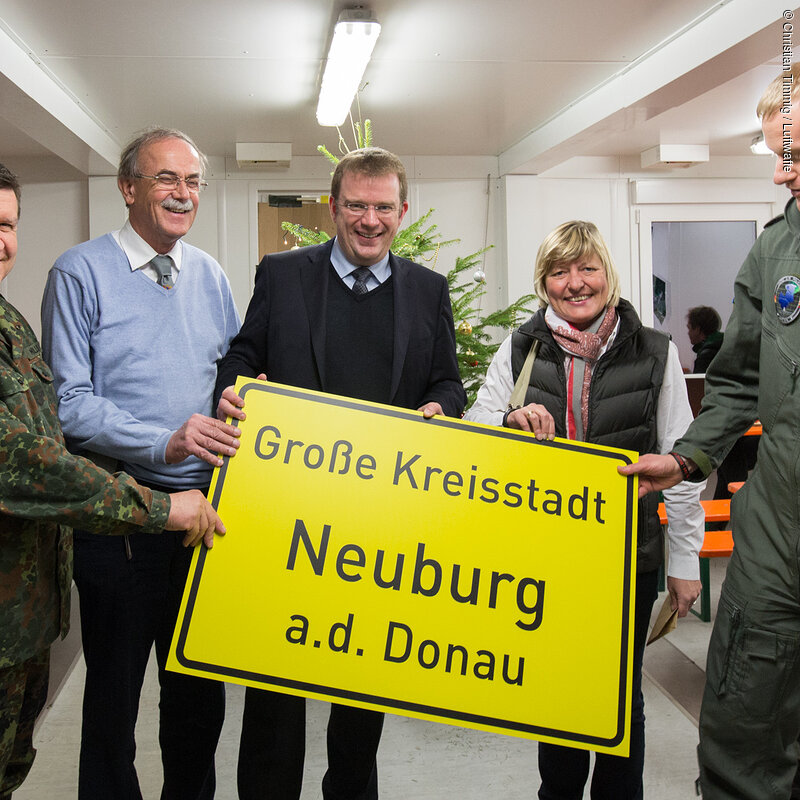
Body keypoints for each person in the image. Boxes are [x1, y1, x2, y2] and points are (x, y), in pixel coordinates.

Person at [215, 146, 466, 800]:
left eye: (384, 207)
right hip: (284, 522)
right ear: (333, 207)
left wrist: (441, 406)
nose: (370, 219)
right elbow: (243, 355)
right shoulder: (282, 273)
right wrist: (240, 387)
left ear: (402, 212)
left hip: (377, 533)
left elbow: (447, 379)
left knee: (360, 703)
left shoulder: (427, 290)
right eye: (356, 204)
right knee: (273, 698)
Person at [0, 162, 225, 800]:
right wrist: (162, 441)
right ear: (128, 189)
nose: (182, 193)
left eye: (193, 181)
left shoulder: (208, 275)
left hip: (202, 522)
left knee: (197, 710)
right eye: (164, 178)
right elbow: (67, 404)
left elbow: (226, 375)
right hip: (119, 526)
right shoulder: (78, 272)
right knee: (111, 711)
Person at [465, 219, 704, 800]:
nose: (575, 283)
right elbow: (475, 430)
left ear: (607, 274)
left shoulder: (654, 351)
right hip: (545, 555)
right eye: (559, 271)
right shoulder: (522, 346)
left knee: (622, 695)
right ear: (544, 282)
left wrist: (685, 562)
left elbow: (681, 458)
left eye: (586, 268)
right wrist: (508, 424)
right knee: (560, 691)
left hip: (628, 553)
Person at [619, 62, 800, 799]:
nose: (787, 172)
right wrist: (688, 456)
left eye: (796, 152)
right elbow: (735, 381)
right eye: (780, 155)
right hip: (779, 525)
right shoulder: (776, 249)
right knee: (742, 707)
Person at [686, 305, 723, 373]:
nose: (688, 333)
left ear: (697, 329)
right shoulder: (727, 345)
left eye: (689, 328)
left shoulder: (705, 357)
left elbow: (698, 383)